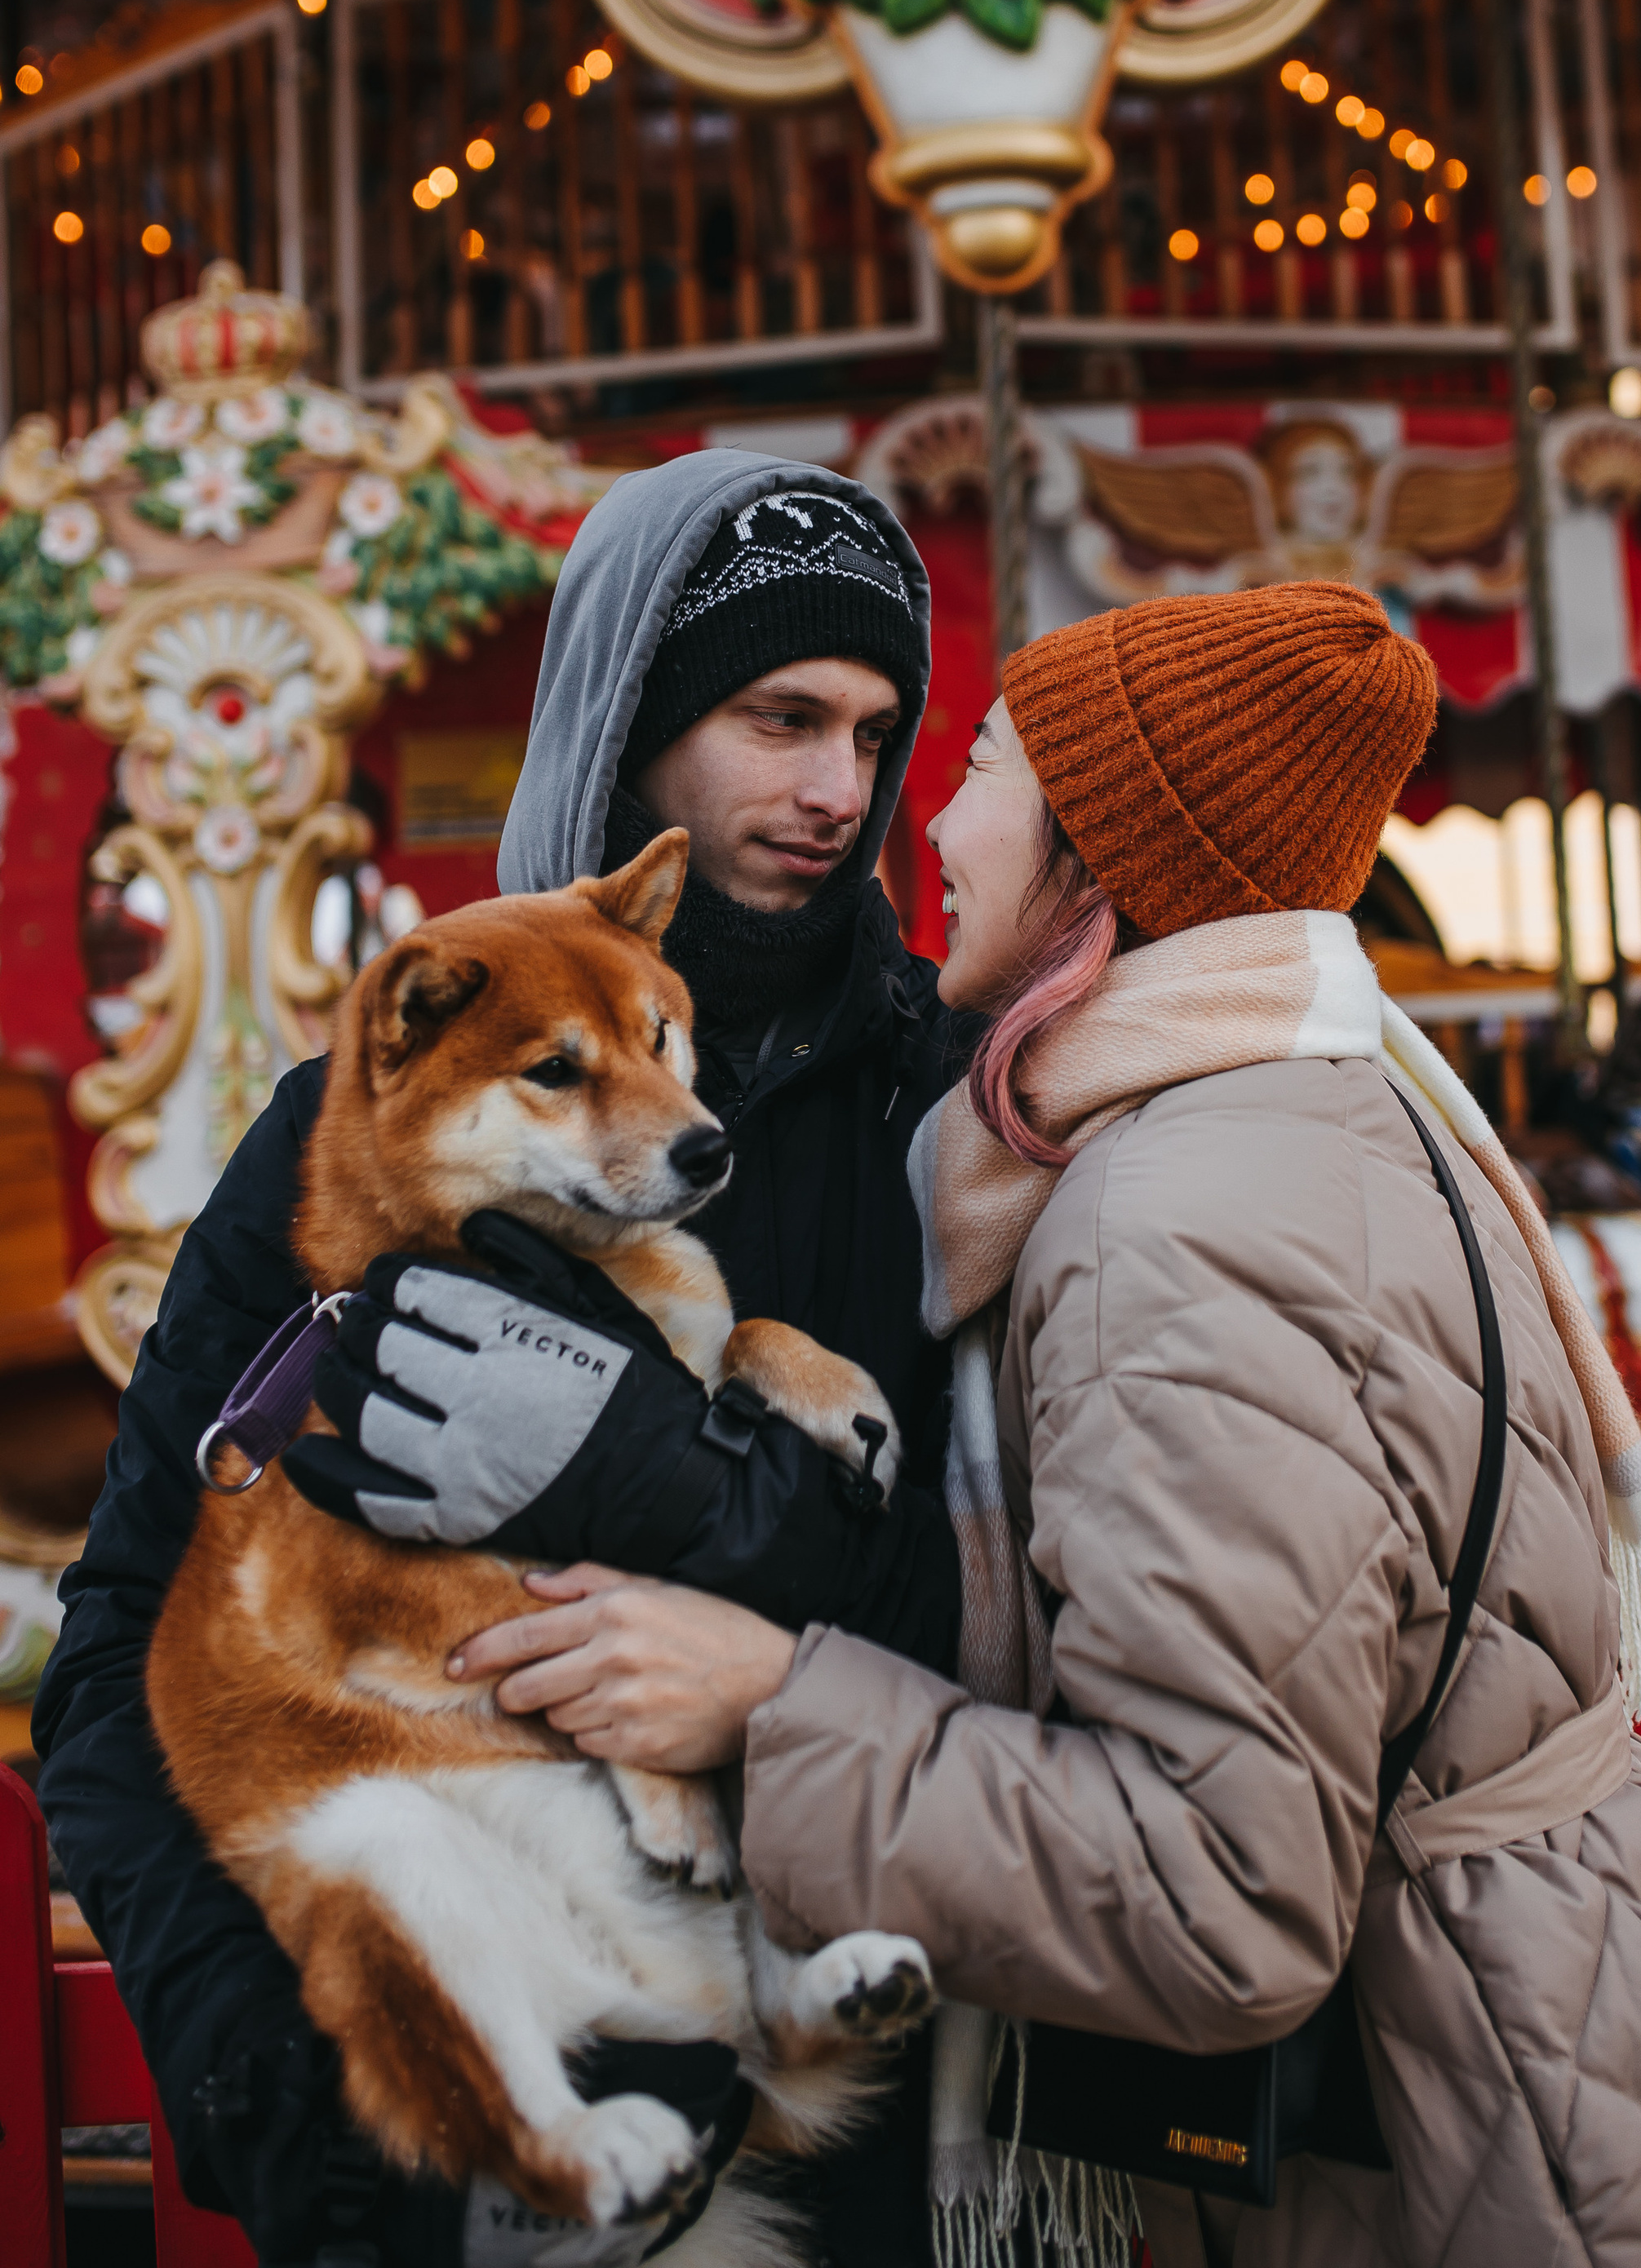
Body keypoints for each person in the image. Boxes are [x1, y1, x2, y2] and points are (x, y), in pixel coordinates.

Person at [457, 582, 1641, 2268]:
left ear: (1099, 848)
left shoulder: (1175, 1226)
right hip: (1576, 2013)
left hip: (1485, 2117)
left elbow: (1218, 1892)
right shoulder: (1330, 1107)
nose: (926, 821)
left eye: (979, 769)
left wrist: (773, 1709)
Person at [33, 450, 968, 2267]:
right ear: (634, 724)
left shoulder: (946, 1115)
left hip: (859, 2121)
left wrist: (717, 1516)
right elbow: (126, 1645)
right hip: (451, 2139)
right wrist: (296, 2105)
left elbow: (1043, 1620)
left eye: (876, 733)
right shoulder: (345, 1132)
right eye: (780, 718)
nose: (837, 791)